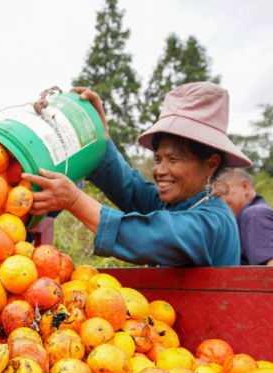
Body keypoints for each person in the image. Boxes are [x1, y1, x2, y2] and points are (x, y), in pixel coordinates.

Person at [23, 82, 253, 267]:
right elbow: (128, 187)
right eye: (157, 158)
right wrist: (98, 138)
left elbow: (152, 237)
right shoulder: (171, 204)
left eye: (173, 159)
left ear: (211, 164)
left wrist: (74, 200)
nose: (160, 170)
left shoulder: (214, 221)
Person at [212, 169, 273, 265]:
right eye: (213, 199)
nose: (217, 203)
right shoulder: (247, 218)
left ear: (245, 187)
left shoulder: (255, 215)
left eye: (220, 195)